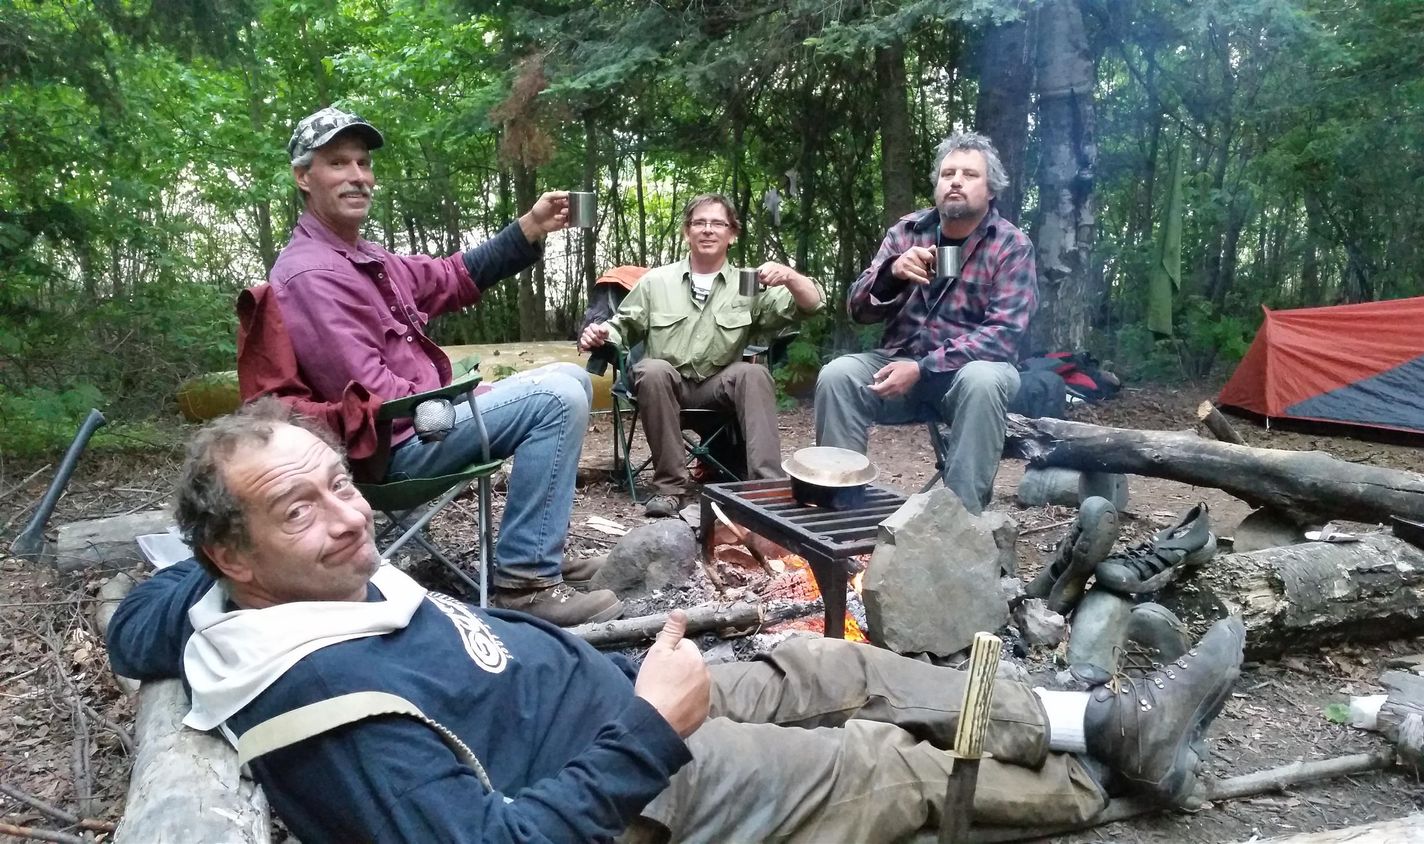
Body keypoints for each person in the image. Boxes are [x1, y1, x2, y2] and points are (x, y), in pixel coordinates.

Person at [106, 400, 1246, 843]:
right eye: (297, 509)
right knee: (869, 761)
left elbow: (143, 620)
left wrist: (640, 699)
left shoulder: (244, 594)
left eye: (338, 484)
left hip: (615, 708)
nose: (349, 516)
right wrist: (652, 729)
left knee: (824, 661)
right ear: (236, 555)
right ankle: (1108, 785)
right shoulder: (326, 707)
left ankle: (1104, 721)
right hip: (635, 783)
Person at [245, 106, 619, 625]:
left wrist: (531, 226)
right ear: (304, 177)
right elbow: (373, 393)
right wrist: (467, 398)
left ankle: (538, 551)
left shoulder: (365, 257)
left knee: (572, 376)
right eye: (338, 163)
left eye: (363, 163)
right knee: (556, 398)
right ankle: (526, 582)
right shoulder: (311, 273)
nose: (357, 175)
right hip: (395, 445)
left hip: (425, 423)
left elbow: (450, 276)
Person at [814, 130, 1037, 515]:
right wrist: (892, 273)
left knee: (983, 379)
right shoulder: (906, 232)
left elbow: (1003, 335)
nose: (956, 181)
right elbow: (857, 310)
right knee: (838, 375)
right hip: (900, 363)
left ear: (990, 190)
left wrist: (923, 367)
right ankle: (839, 508)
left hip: (968, 377)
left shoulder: (1011, 245)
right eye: (948, 173)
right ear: (936, 186)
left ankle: (958, 521)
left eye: (969, 174)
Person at [578, 194, 823, 518]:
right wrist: (600, 334)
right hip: (665, 387)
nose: (708, 229)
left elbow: (811, 306)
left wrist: (790, 276)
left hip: (718, 388)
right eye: (700, 223)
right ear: (687, 231)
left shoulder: (747, 284)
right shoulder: (657, 281)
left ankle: (766, 490)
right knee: (652, 370)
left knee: (753, 373)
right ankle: (670, 489)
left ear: (732, 234)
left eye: (718, 223)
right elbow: (620, 327)